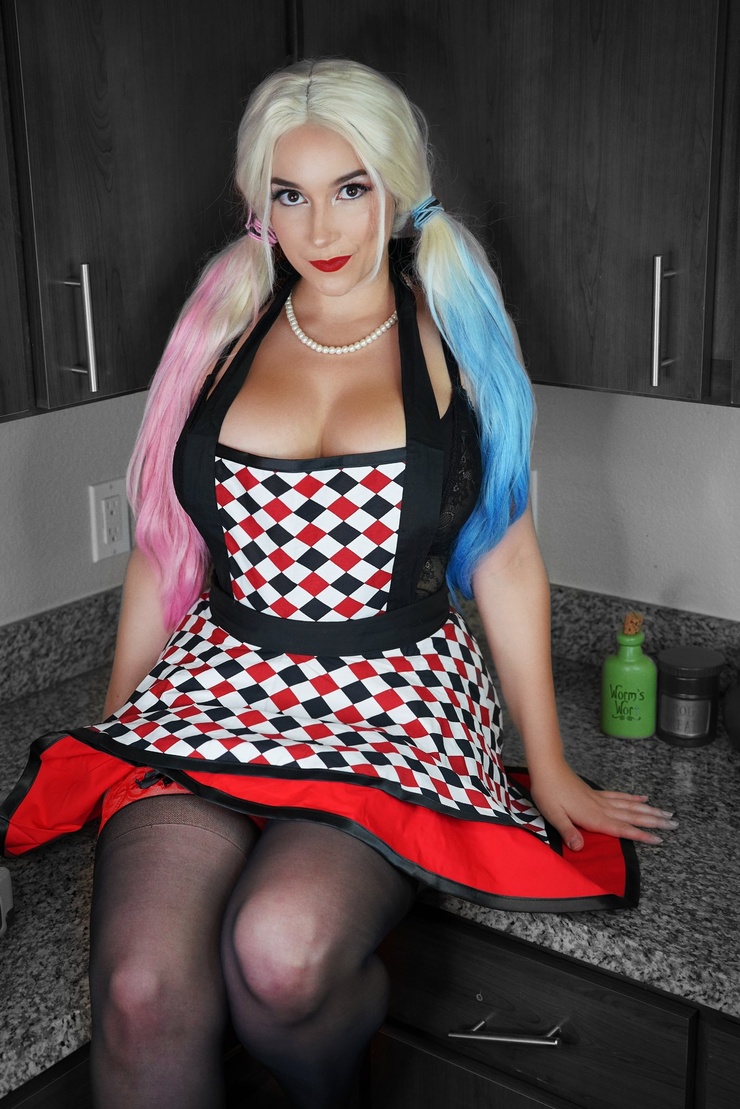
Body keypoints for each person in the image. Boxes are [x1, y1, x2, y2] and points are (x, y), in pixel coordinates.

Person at [0, 58, 675, 1109]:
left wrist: (544, 765)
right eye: (290, 193)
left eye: (350, 188)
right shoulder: (221, 326)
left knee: (282, 952)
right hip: (215, 685)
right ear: (257, 202)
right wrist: (120, 733)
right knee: (138, 990)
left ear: (395, 187)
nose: (320, 227)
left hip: (394, 693)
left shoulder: (453, 334)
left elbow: (504, 556)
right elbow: (162, 550)